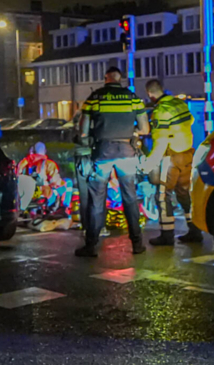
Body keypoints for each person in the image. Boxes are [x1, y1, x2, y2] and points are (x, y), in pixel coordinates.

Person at [74, 67, 149, 257]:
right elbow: (145, 129)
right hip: (126, 152)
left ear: (106, 78)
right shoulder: (133, 98)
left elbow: (82, 132)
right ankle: (137, 244)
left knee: (97, 199)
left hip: (103, 152)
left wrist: (88, 137)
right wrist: (130, 132)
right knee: (130, 197)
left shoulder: (95, 98)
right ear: (120, 79)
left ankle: (91, 245)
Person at [144, 79, 203, 246]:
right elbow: (190, 120)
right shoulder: (180, 103)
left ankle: (167, 234)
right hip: (187, 154)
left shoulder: (160, 111)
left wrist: (148, 165)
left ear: (150, 94)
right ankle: (195, 230)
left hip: (171, 157)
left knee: (162, 195)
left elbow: (160, 142)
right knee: (184, 193)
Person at [16, 142, 70, 215]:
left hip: (26, 197)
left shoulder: (22, 163)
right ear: (44, 151)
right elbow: (56, 182)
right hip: (44, 196)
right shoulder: (49, 164)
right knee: (68, 182)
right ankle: (64, 208)